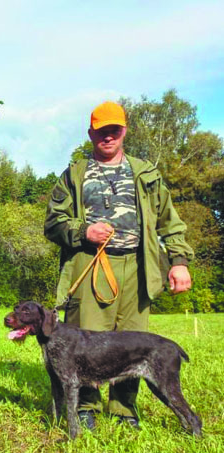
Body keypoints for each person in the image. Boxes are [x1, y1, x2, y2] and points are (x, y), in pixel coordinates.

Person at [44, 101, 193, 430]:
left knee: (133, 343)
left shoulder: (146, 174)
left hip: (138, 269)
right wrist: (85, 231)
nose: (108, 136)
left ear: (124, 131)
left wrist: (178, 261)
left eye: (114, 129)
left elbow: (170, 222)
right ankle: (85, 408)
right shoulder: (74, 174)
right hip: (89, 265)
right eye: (101, 130)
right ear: (91, 133)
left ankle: (125, 410)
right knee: (84, 342)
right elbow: (53, 223)